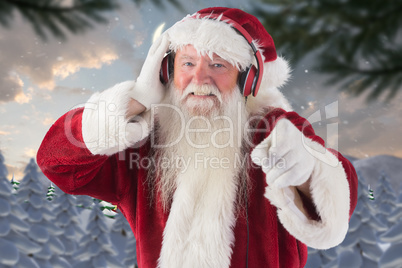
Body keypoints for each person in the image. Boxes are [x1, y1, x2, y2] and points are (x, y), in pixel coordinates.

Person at [37, 7, 358, 268]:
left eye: (217, 64)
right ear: (167, 72)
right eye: (187, 63)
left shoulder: (275, 128)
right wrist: (134, 99)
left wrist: (309, 170)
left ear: (247, 81)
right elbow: (58, 163)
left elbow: (339, 201)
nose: (199, 78)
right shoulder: (144, 142)